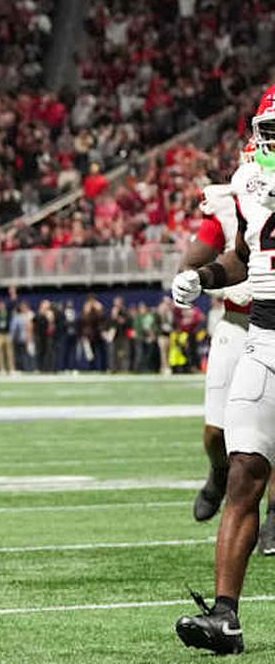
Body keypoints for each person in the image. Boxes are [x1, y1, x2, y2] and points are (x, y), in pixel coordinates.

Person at [171, 85, 275, 654]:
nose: (273, 142)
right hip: (264, 334)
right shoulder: (249, 185)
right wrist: (206, 277)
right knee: (243, 471)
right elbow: (244, 255)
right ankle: (225, 618)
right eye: (270, 130)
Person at [179, 181, 257, 527]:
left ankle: (273, 517)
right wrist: (192, 276)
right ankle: (218, 472)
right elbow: (211, 258)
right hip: (239, 322)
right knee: (216, 432)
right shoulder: (233, 206)